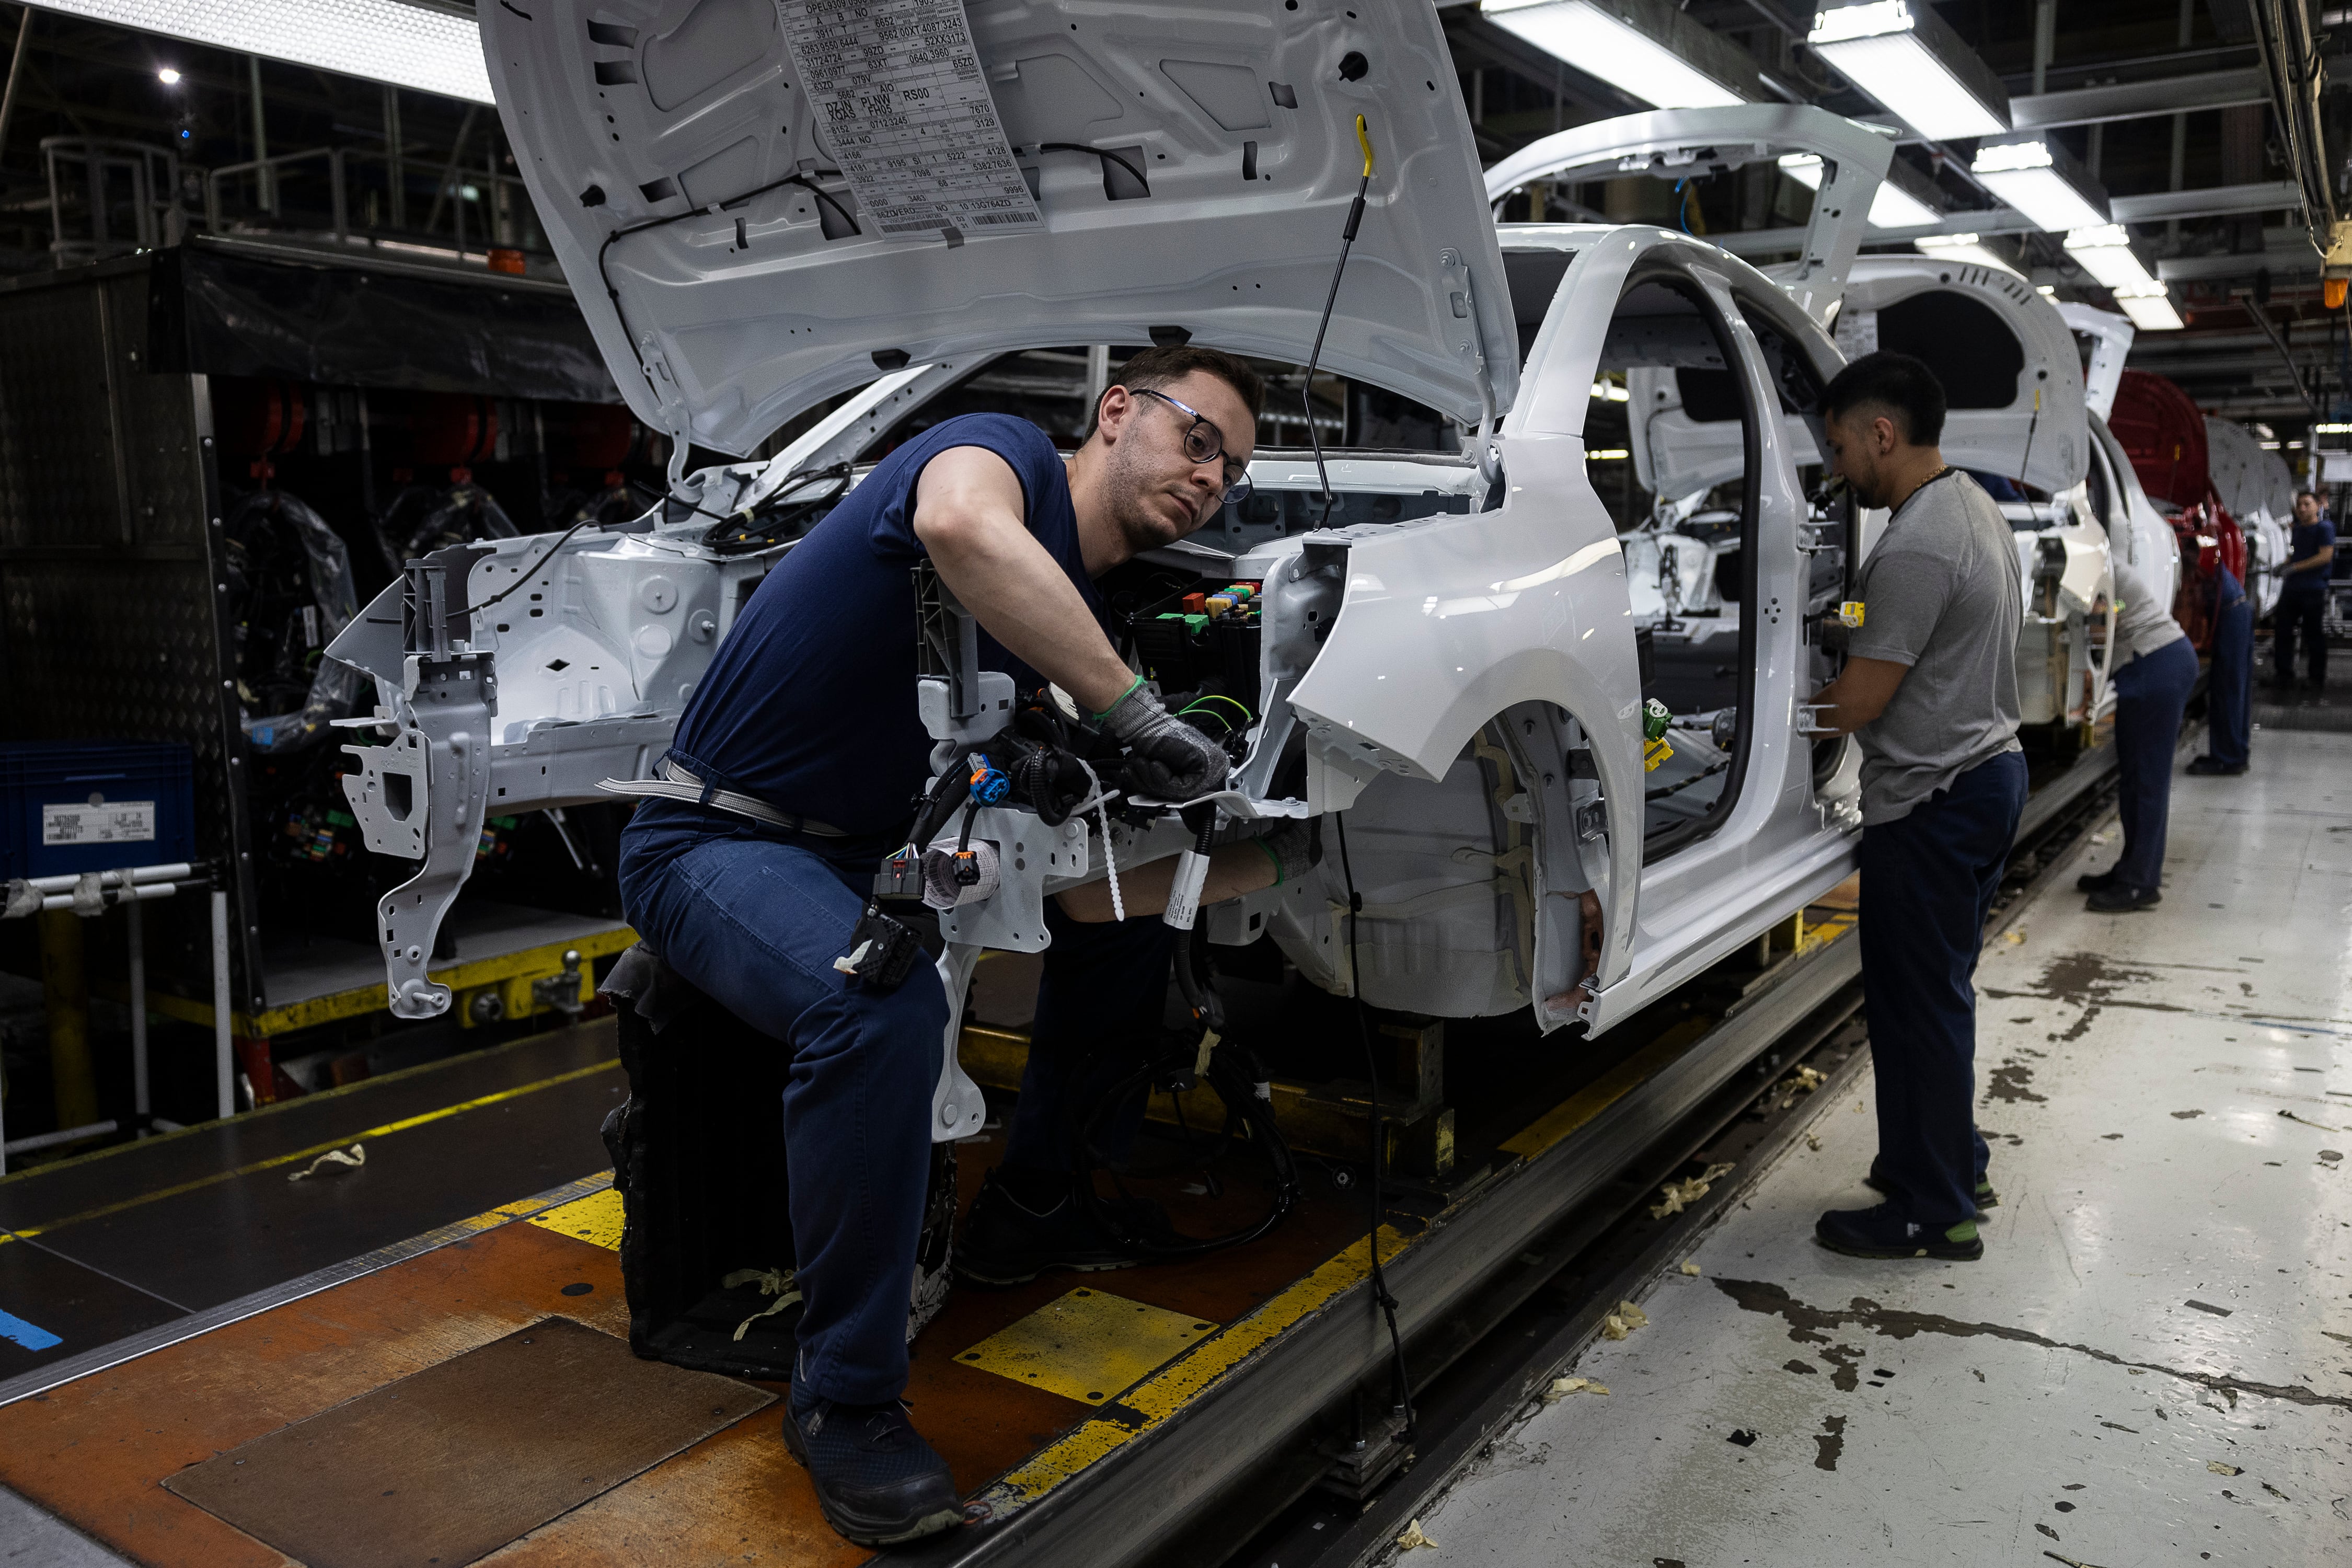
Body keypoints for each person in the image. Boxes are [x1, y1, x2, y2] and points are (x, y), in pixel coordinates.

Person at [615, 346, 1287, 1546]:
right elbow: (958, 528)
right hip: (709, 839)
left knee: (1085, 931)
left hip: (840, 848)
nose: (1210, 475)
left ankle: (1043, 1189)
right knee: (875, 1011)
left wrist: (1032, 751)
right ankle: (846, 1404)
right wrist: (1129, 710)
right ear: (1116, 410)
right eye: (1197, 435)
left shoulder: (1044, 619)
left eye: (1230, 465)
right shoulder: (995, 455)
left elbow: (952, 731)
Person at [1802, 351, 2025, 1264]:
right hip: (1982, 777)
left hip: (1933, 800)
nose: (1837, 464)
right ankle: (1950, 1164)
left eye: (1842, 445)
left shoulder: (1920, 542)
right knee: (1938, 998)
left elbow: (1858, 706)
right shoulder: (1969, 506)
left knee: (1915, 1008)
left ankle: (1935, 1215)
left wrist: (1751, 725)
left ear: (1881, 434)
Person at [2076, 560, 2197, 909]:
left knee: (2147, 782)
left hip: (2157, 666)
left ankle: (2139, 884)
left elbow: (2106, 620)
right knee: (2133, 780)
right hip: (2154, 665)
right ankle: (2131, 868)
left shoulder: (2099, 568)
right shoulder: (2100, 565)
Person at [2187, 564, 2251, 776]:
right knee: (2237, 690)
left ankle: (2227, 759)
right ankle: (2236, 753)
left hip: (2230, 615)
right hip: (2238, 610)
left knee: (2227, 691)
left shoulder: (2192, 557)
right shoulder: (2205, 554)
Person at [2273, 489, 2335, 690]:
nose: (2302, 508)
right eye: (2300, 505)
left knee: (2313, 634)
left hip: (2313, 590)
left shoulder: (2324, 528)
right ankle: (2284, 675)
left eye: (2307, 504)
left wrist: (2294, 568)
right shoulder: (2298, 530)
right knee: (2283, 631)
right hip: (2293, 589)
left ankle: (2316, 679)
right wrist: (2283, 565)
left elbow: (2325, 556)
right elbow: (2295, 555)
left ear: (2318, 506)